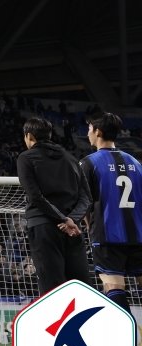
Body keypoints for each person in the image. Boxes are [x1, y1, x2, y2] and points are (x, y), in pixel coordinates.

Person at [79, 112, 142, 329]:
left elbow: (84, 202)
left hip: (107, 235)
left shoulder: (89, 163)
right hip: (138, 234)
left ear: (97, 131)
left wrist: (89, 226)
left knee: (113, 285)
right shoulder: (135, 162)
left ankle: (130, 340)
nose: (87, 133)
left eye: (89, 129)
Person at [16, 116, 91, 295]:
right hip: (73, 229)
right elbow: (86, 197)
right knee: (79, 285)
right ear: (49, 135)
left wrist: (63, 218)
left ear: (28, 136)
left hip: (43, 226)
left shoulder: (25, 158)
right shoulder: (70, 158)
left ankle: (55, 323)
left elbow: (35, 197)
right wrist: (72, 219)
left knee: (51, 286)